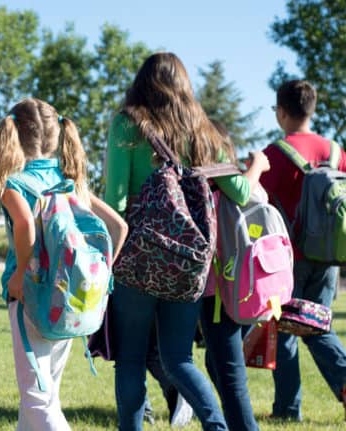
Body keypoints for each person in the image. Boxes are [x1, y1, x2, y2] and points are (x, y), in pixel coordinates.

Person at [104, 52, 268, 431]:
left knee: (130, 360)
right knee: (180, 358)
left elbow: (115, 202)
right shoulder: (204, 130)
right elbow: (241, 192)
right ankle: (217, 426)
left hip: (138, 259)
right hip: (189, 262)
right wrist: (257, 166)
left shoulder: (127, 124)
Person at [0, 98, 127, 430]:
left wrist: (21, 273)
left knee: (37, 399)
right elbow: (119, 227)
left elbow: (24, 225)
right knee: (44, 395)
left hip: (30, 299)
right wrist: (101, 276)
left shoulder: (16, 184)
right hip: (68, 299)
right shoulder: (71, 182)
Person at [259, 79, 346, 421]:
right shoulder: (337, 153)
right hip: (329, 256)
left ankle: (287, 410)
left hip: (289, 258)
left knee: (285, 331)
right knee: (319, 326)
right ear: (312, 109)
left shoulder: (275, 155)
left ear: (281, 112)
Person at [199, 119, 268, 431]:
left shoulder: (214, 186)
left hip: (219, 294)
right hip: (247, 288)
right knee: (217, 364)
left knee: (229, 373)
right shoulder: (243, 182)